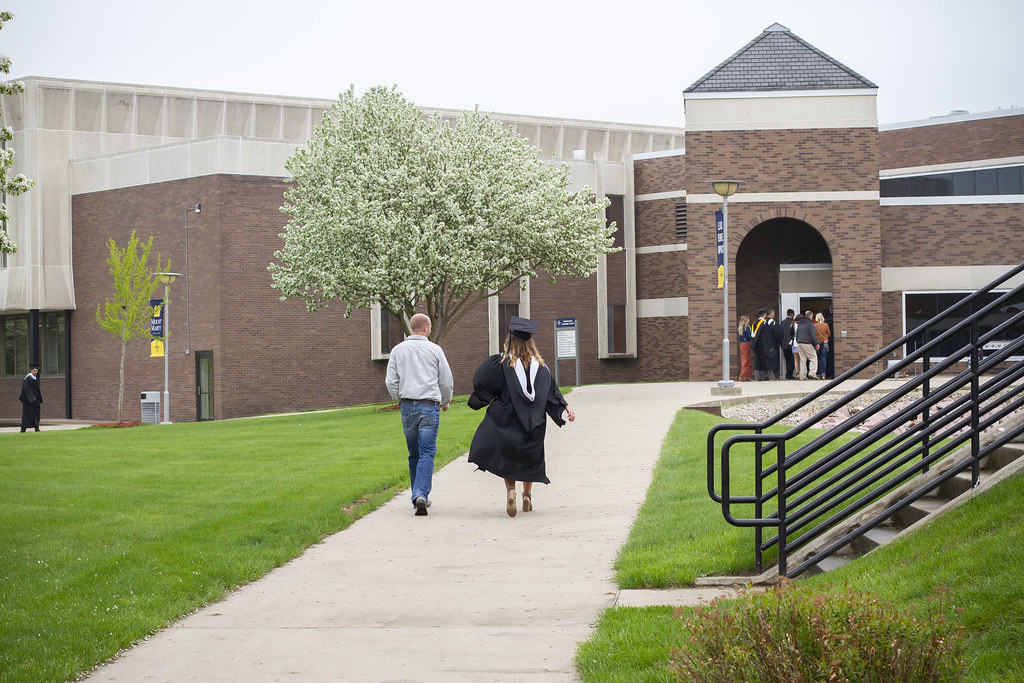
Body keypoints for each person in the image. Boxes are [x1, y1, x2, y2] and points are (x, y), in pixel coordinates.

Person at [467, 316, 576, 517]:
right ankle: (527, 496)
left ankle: (511, 490)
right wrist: (565, 406)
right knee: (530, 459)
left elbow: (483, 381)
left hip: (507, 420)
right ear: (530, 342)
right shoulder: (541, 367)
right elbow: (552, 392)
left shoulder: (501, 363)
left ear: (510, 340)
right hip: (534, 423)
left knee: (509, 457)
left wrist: (482, 398)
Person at [385, 313, 454, 517]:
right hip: (429, 406)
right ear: (425, 327)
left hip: (407, 407)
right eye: (430, 327)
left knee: (414, 452)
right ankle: (421, 494)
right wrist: (446, 400)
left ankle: (417, 495)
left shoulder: (397, 350)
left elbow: (390, 381)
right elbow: (446, 380)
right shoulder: (435, 350)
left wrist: (399, 398)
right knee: (426, 452)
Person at [753, 308, 782, 380]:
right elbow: (767, 336)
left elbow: (753, 335)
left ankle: (759, 377)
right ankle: (771, 376)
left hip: (757, 345)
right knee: (769, 360)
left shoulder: (755, 323)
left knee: (759, 360)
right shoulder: (765, 324)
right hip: (766, 344)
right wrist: (770, 345)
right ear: (765, 314)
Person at [795, 311, 820, 379]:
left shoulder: (800, 323)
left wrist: (798, 341)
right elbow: (813, 334)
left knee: (803, 360)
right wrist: (816, 343)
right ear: (811, 315)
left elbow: (797, 333)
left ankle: (802, 376)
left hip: (799, 343)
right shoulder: (810, 323)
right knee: (813, 357)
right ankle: (812, 372)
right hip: (807, 343)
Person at [19, 363, 42, 432]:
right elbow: (25, 389)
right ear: (31, 370)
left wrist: (38, 399)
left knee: (36, 415)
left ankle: (36, 428)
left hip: (34, 401)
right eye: (34, 371)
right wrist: (31, 398)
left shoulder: (34, 379)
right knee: (27, 415)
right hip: (29, 402)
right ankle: (23, 429)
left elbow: (37, 390)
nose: (35, 372)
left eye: (36, 371)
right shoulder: (28, 379)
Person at [814, 312, 832, 380]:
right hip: (825, 342)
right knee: (823, 358)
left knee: (817, 358)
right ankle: (823, 375)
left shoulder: (814, 325)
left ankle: (818, 374)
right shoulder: (826, 325)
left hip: (817, 343)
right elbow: (829, 334)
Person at [779, 309, 796, 379]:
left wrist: (781, 343)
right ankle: (789, 374)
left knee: (787, 360)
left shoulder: (782, 323)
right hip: (791, 345)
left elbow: (779, 334)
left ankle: (787, 374)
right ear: (792, 314)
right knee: (791, 360)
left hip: (784, 345)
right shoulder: (793, 323)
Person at [737, 315, 754, 381]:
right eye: (748, 319)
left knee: (745, 359)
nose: (749, 320)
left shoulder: (740, 328)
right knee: (746, 360)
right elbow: (750, 336)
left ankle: (747, 375)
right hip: (746, 344)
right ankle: (742, 375)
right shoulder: (746, 327)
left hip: (742, 344)